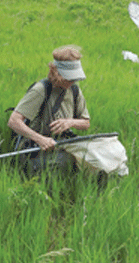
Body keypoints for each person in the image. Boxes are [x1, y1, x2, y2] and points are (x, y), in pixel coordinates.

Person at [7, 46, 91, 177]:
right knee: (61, 167)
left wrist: (70, 123)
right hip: (36, 146)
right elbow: (13, 121)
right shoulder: (41, 90)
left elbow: (86, 123)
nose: (73, 81)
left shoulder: (74, 90)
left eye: (75, 78)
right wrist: (41, 139)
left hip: (64, 142)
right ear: (56, 72)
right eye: (69, 78)